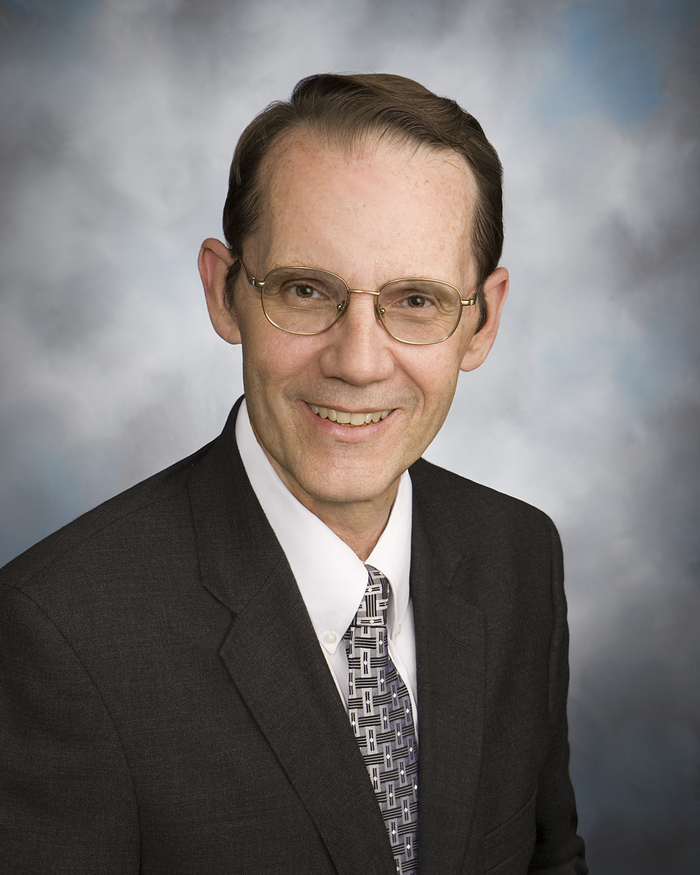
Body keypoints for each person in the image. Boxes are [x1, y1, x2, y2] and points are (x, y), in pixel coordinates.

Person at [0, 73, 587, 874]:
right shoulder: (59, 634)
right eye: (306, 290)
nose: (358, 362)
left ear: (481, 321)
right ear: (224, 292)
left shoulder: (518, 553)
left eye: (416, 300)